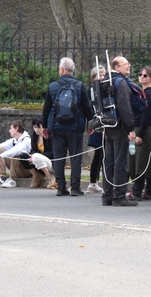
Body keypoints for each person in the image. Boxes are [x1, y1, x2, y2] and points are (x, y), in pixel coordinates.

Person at [42, 57, 94, 197]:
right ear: (72, 70)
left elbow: (46, 108)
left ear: (61, 69)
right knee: (76, 157)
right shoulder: (79, 85)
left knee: (59, 157)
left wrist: (45, 127)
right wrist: (91, 123)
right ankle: (75, 187)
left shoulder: (53, 86)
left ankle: (61, 187)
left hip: (57, 127)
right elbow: (87, 107)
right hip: (75, 127)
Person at [101, 56, 137, 206]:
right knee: (120, 161)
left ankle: (107, 195)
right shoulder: (120, 82)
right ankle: (119, 196)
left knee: (108, 161)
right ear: (117, 67)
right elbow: (124, 106)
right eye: (125, 64)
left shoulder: (104, 81)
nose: (128, 66)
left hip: (107, 124)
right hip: (120, 125)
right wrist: (131, 128)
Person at [127, 65, 151, 201]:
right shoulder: (142, 91)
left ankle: (138, 191)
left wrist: (140, 134)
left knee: (141, 161)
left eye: (145, 75)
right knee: (144, 160)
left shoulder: (150, 93)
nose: (141, 77)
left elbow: (147, 114)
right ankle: (149, 191)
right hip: (140, 127)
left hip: (145, 129)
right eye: (140, 74)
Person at [0, 120, 32, 188]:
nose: (9, 131)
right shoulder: (13, 140)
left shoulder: (27, 140)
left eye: (11, 128)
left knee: (16, 154)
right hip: (17, 168)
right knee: (0, 149)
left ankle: (12, 179)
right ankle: (2, 178)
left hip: (26, 170)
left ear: (16, 128)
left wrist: (0, 156)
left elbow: (17, 150)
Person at [86, 65, 106, 194]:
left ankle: (100, 181)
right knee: (99, 155)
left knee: (104, 156)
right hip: (98, 126)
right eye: (100, 75)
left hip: (103, 125)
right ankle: (93, 182)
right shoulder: (93, 90)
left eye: (104, 75)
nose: (103, 77)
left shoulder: (104, 88)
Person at [28, 117, 56, 189]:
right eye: (35, 127)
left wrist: (38, 155)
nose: (36, 130)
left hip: (50, 161)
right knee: (23, 157)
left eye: (39, 127)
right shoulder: (34, 136)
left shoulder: (50, 136)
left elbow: (53, 153)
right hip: (38, 160)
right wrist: (33, 156)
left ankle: (49, 176)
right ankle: (36, 175)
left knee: (36, 156)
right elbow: (33, 150)